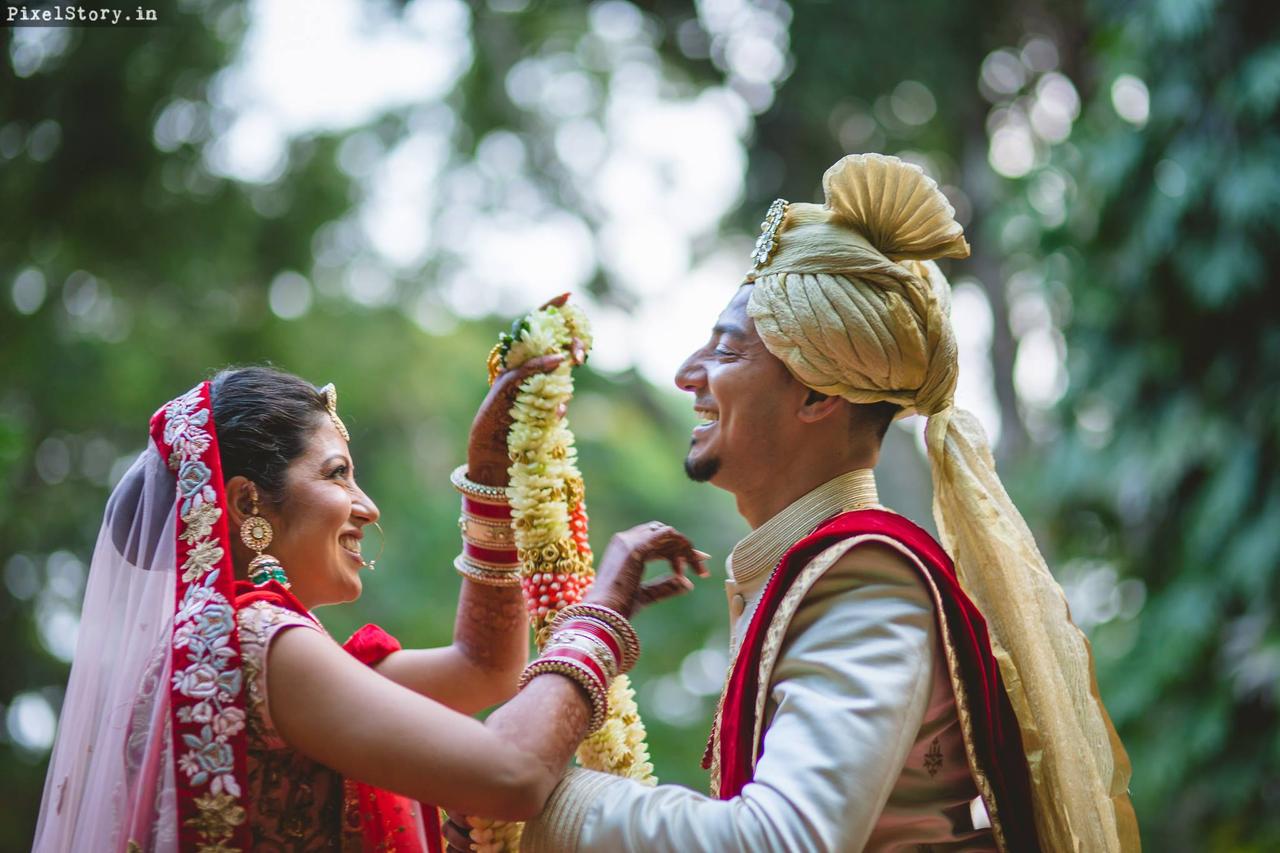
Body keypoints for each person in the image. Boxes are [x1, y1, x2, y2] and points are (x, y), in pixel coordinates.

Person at [460, 154, 1139, 852]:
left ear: (817, 394)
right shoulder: (807, 571)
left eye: (724, 352)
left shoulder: (864, 579)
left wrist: (540, 807)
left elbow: (777, 841)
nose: (686, 374)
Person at [33, 363, 705, 852]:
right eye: (336, 474)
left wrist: (490, 482)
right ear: (246, 504)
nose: (368, 505)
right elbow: (514, 772)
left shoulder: (221, 653)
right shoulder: (260, 642)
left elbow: (482, 670)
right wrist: (602, 611)